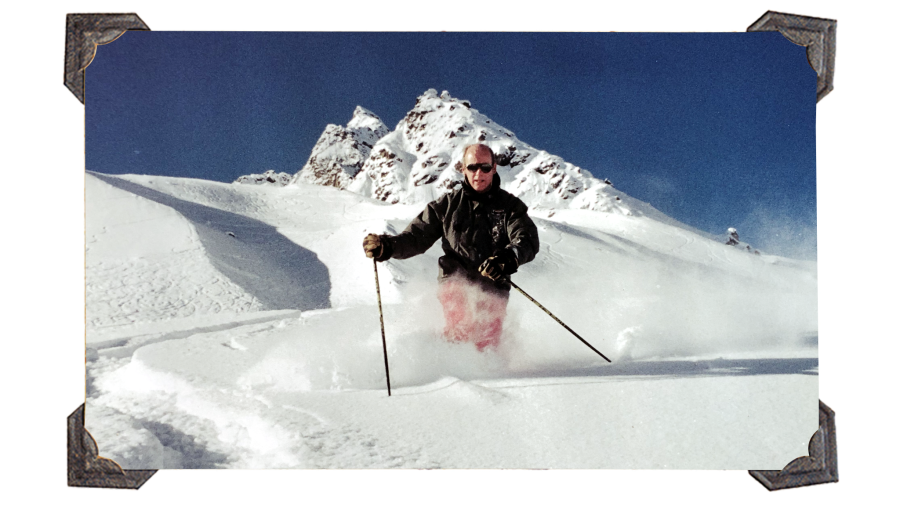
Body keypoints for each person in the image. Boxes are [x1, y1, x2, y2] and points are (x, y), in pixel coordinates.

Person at [363, 144, 540, 351]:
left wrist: (507, 258)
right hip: (455, 279)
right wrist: (387, 246)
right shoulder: (447, 205)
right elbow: (416, 237)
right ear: (463, 169)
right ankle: (452, 370)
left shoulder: (509, 206)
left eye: (484, 167)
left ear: (494, 168)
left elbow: (526, 238)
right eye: (472, 167)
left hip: (493, 281)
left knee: (487, 343)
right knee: (460, 327)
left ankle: (494, 377)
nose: (478, 174)